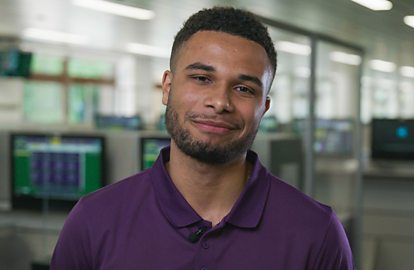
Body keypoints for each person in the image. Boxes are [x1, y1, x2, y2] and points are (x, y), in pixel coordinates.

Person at [50, 6, 354, 270]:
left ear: (264, 108)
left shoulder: (316, 232)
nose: (219, 102)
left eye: (244, 89)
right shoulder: (94, 220)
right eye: (201, 79)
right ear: (167, 87)